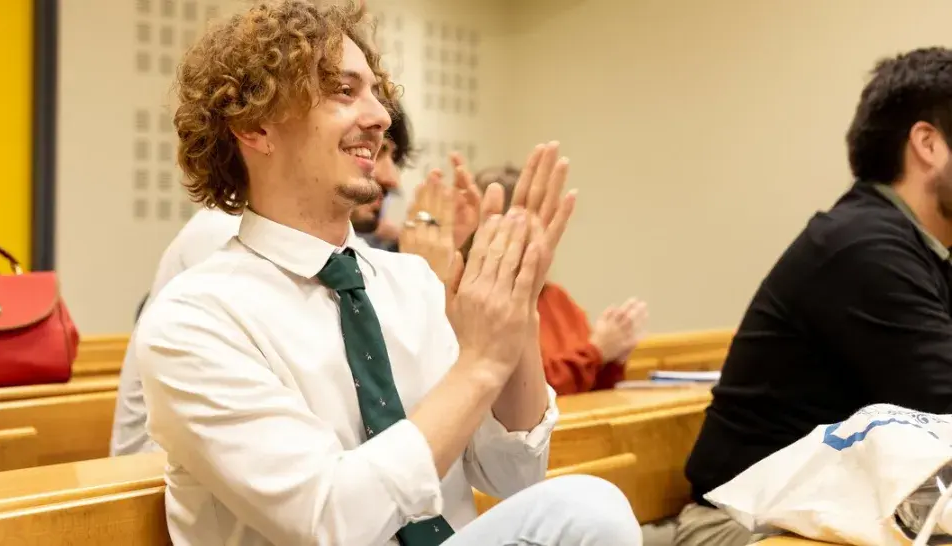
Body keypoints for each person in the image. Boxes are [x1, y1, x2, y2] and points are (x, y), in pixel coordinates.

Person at [131, 2, 642, 546]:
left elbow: (513, 474)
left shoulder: (412, 283)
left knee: (588, 507)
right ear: (254, 124)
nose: (380, 117)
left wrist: (516, 313)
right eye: (344, 91)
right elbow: (331, 521)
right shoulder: (195, 319)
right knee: (587, 509)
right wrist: (479, 363)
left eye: (377, 94)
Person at [676, 47, 952, 546]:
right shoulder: (863, 246)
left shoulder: (923, 250)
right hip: (747, 527)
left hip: (843, 517)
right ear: (928, 144)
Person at [112, 98, 420, 456]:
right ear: (259, 131)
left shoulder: (336, 250)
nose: (390, 178)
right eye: (375, 153)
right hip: (156, 471)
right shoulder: (228, 237)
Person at [468, 164, 649, 395]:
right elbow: (529, 393)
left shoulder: (557, 298)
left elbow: (589, 383)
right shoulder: (477, 303)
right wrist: (597, 351)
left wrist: (612, 358)